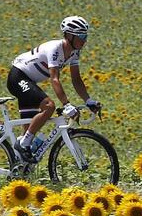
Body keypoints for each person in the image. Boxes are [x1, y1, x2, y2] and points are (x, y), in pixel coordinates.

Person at [7, 16, 101, 163]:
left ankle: (18, 168)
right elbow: (54, 78)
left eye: (86, 36)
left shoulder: (74, 52)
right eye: (81, 36)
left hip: (29, 81)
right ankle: (22, 144)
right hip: (18, 77)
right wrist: (66, 104)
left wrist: (88, 100)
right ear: (70, 35)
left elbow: (76, 79)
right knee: (49, 106)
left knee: (28, 135)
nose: (85, 40)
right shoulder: (56, 49)